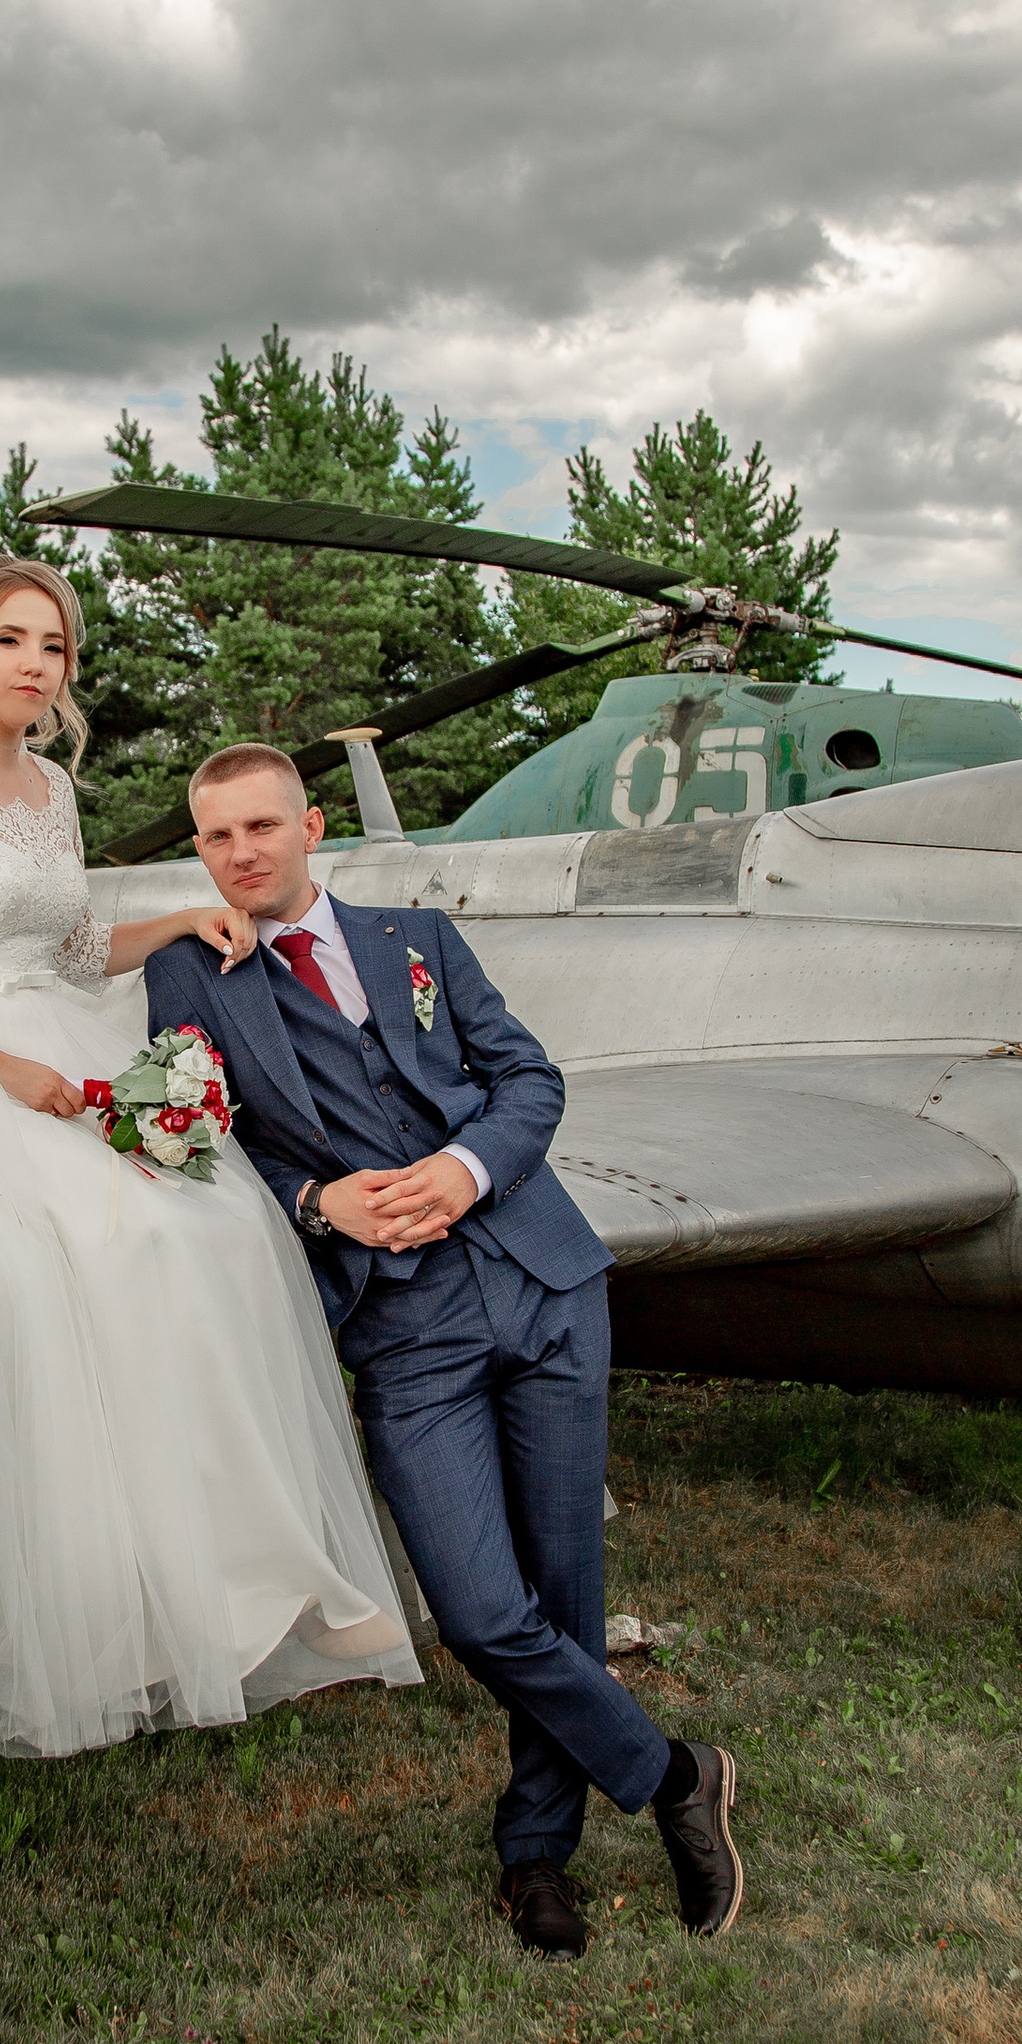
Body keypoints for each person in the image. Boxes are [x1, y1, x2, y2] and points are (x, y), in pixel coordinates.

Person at [0, 559, 419, 1760]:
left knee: (223, 1224)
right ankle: (96, 1604)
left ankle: (250, 1577)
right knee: (104, 1238)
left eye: (57, 647)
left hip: (52, 1036)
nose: (36, 664)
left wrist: (178, 916)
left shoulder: (51, 790)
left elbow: (72, 949)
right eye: (14, 639)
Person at [145, 745, 743, 1957]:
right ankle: (676, 1772)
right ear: (199, 850)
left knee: (564, 1597)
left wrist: (466, 1169)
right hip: (401, 1323)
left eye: (261, 827)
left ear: (309, 826)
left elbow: (528, 1076)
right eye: (216, 838)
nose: (242, 854)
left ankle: (536, 1861)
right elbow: (199, 1140)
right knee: (477, 1610)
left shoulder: (416, 935)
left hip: (545, 1285)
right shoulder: (186, 976)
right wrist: (321, 1200)